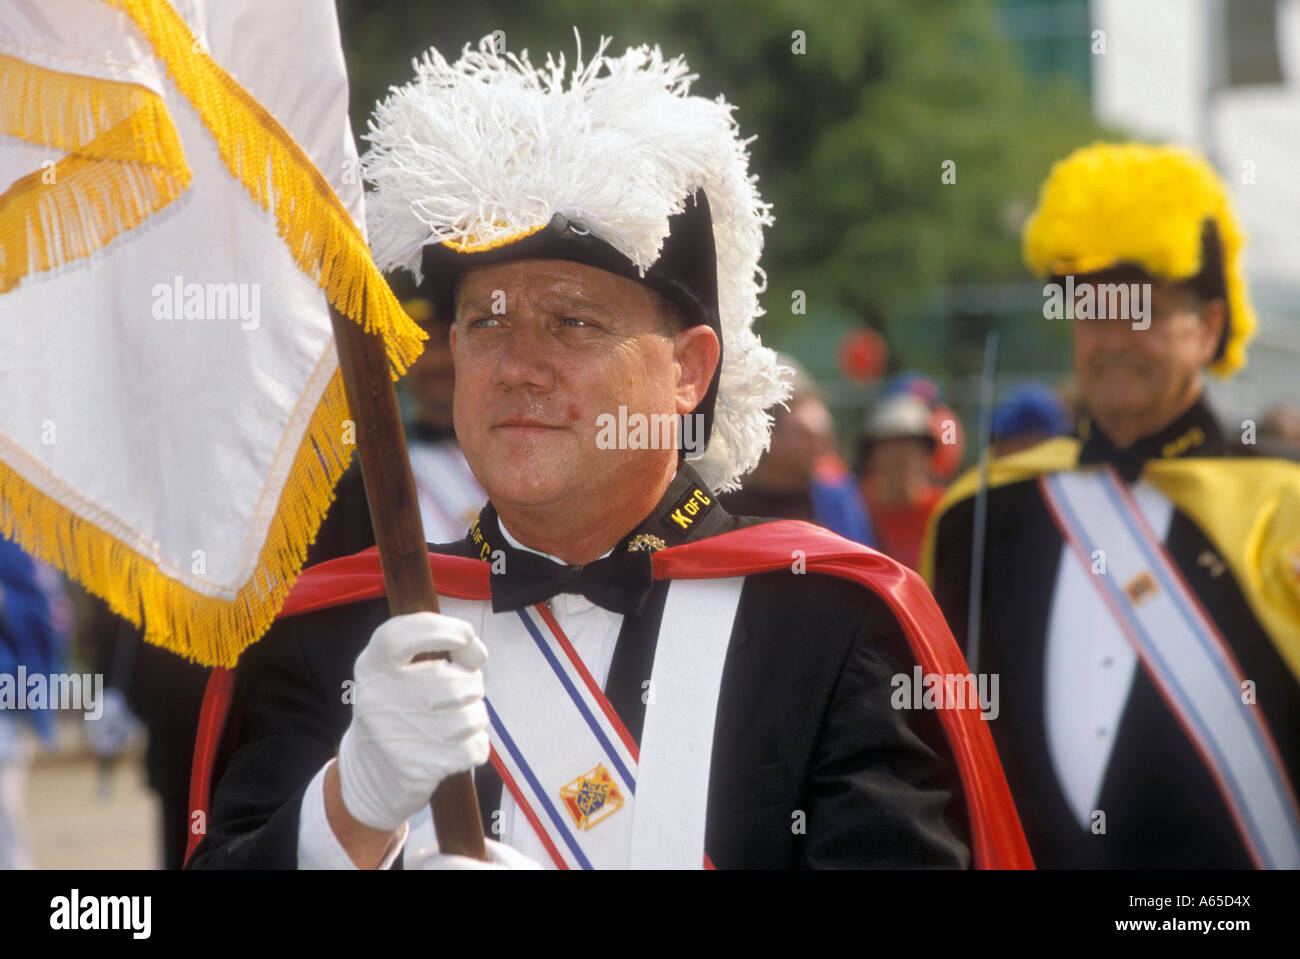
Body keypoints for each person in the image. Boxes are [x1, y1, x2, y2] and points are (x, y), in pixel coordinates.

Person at [187, 36, 1029, 870]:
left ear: (689, 370)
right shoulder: (337, 630)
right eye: (487, 322)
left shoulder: (830, 626)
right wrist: (348, 815)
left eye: (573, 323)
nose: (517, 367)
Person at [922, 143, 1300, 868]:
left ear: (1209, 327)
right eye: (1092, 310)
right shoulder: (982, 516)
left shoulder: (1283, 505)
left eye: (1144, 312)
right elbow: (934, 745)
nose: (1113, 339)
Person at [720, 356, 875, 546]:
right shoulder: (727, 510)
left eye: (826, 434)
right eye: (806, 436)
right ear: (769, 437)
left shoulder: (837, 498)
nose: (822, 446)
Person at [855, 394, 946, 569]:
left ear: (927, 457)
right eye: (891, 449)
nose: (902, 459)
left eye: (911, 450)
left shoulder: (943, 512)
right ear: (872, 458)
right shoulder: (854, 509)